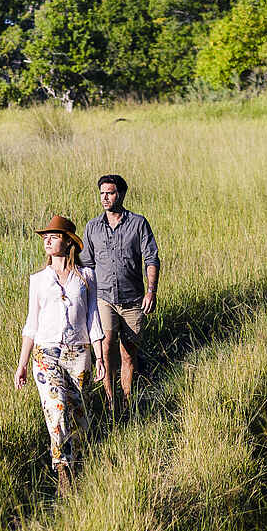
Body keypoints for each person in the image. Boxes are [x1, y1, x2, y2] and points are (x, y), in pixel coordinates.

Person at [14, 214, 104, 493]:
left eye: (54, 236)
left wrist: (99, 357)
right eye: (45, 237)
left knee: (79, 414)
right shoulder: (39, 280)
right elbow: (32, 323)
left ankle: (78, 464)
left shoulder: (86, 277)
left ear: (68, 242)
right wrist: (22, 364)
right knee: (57, 409)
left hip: (78, 352)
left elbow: (93, 317)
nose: (47, 240)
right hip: (46, 353)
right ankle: (62, 469)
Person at [80, 174, 160, 417]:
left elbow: (151, 258)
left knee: (128, 352)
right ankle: (109, 401)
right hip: (104, 298)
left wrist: (151, 291)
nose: (105, 197)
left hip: (133, 299)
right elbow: (86, 264)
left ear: (122, 194)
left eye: (111, 193)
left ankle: (125, 402)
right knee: (105, 348)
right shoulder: (92, 227)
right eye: (102, 193)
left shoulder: (138, 223)